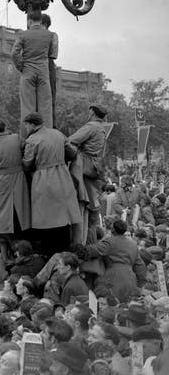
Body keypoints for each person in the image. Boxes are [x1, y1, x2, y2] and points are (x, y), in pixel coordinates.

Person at [22, 113, 83, 245]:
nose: (25, 127)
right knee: (64, 214)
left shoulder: (32, 140)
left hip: (43, 180)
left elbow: (27, 164)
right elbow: (72, 153)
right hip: (63, 177)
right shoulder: (58, 134)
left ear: (32, 124)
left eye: (26, 124)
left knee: (46, 217)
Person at [0, 119, 31, 259]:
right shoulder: (16, 138)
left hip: (0, 183)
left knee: (2, 217)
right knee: (21, 212)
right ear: (5, 127)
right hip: (19, 179)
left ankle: (9, 254)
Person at [67, 104, 108, 244]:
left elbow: (70, 141)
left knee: (80, 207)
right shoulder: (102, 129)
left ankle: (79, 243)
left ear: (92, 113)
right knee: (91, 211)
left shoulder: (91, 126)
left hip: (82, 167)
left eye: (89, 111)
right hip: (93, 169)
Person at [11, 10, 57, 129]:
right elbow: (52, 54)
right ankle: (46, 137)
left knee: (27, 108)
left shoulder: (23, 35)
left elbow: (14, 54)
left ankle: (27, 139)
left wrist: (22, 67)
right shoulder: (50, 35)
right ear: (41, 21)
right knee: (45, 109)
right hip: (43, 72)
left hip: (28, 72)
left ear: (29, 21)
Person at [83, 219, 146, 302]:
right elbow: (140, 267)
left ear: (113, 229)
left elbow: (94, 250)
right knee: (126, 308)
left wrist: (80, 248)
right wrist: (139, 285)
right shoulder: (133, 244)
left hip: (113, 277)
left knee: (110, 305)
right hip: (131, 278)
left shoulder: (110, 241)